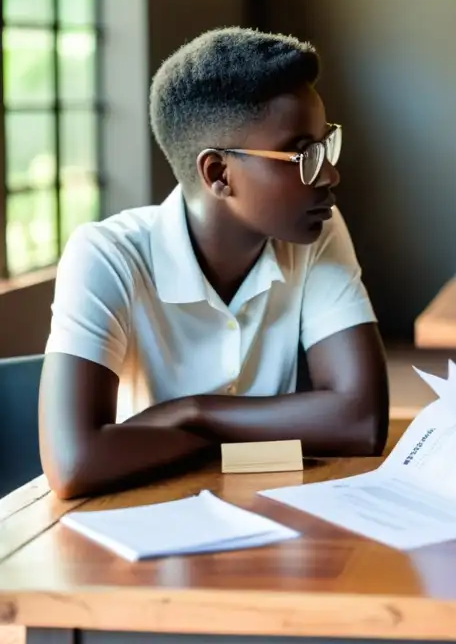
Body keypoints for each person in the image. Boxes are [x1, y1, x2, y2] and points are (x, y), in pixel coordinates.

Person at [39, 27, 389, 499]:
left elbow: (361, 420)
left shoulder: (317, 231)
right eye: (302, 153)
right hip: (141, 521)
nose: (328, 173)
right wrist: (257, 433)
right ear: (218, 173)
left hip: (276, 510)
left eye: (325, 146)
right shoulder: (107, 256)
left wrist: (194, 414)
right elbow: (75, 464)